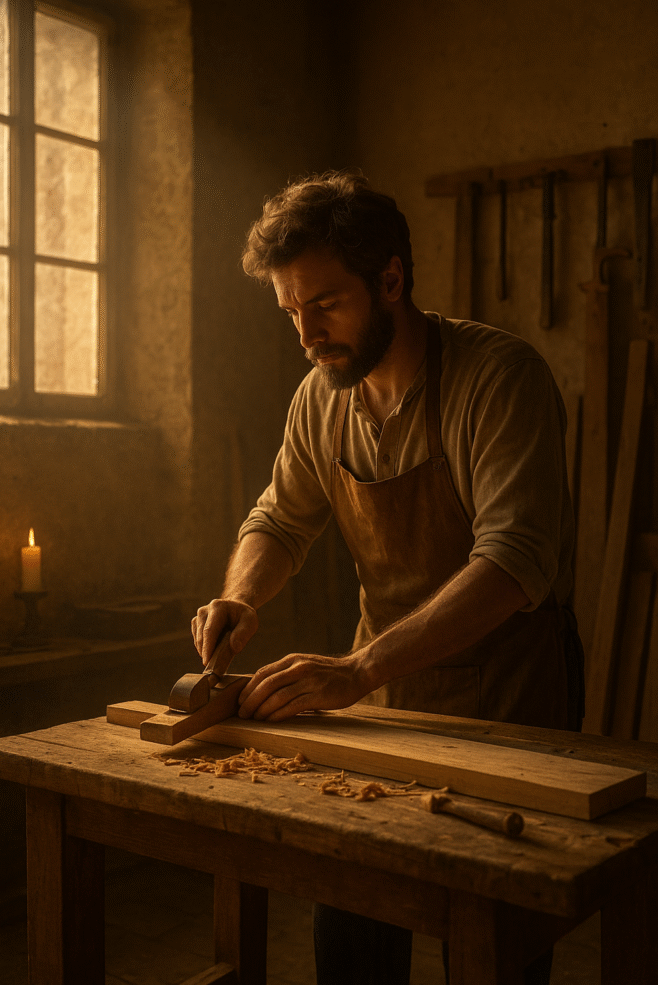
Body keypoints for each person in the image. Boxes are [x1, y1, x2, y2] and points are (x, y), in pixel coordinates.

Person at [191, 171, 584, 985]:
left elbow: (515, 562)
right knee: (355, 917)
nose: (306, 334)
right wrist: (239, 595)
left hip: (506, 700)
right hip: (377, 701)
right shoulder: (319, 397)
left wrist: (359, 667)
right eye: (291, 312)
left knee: (488, 937)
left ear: (392, 280)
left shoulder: (497, 377)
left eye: (325, 305)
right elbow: (277, 519)